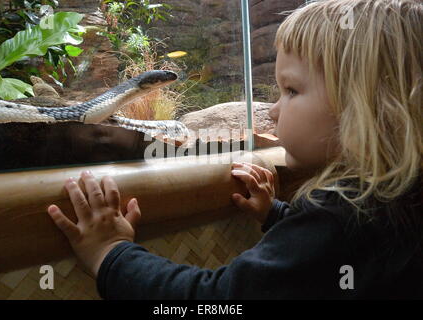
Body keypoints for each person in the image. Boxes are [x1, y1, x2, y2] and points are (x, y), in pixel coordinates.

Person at [47, 0, 422, 299]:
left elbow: (219, 300)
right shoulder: (396, 199)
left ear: (368, 110)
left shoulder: (342, 215)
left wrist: (111, 254)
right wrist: (278, 215)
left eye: (290, 90)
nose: (273, 109)